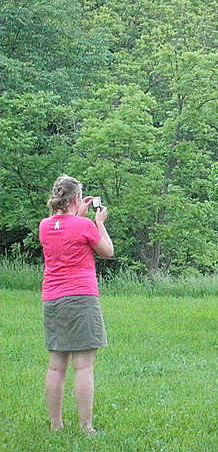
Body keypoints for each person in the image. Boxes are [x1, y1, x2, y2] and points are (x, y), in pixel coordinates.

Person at [40, 175, 113, 434]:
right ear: (76, 199)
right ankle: (86, 427)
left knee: (56, 367)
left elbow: (64, 228)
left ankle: (56, 425)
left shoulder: (44, 226)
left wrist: (78, 213)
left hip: (52, 299)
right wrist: (99, 223)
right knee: (83, 367)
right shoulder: (85, 226)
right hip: (81, 298)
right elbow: (107, 251)